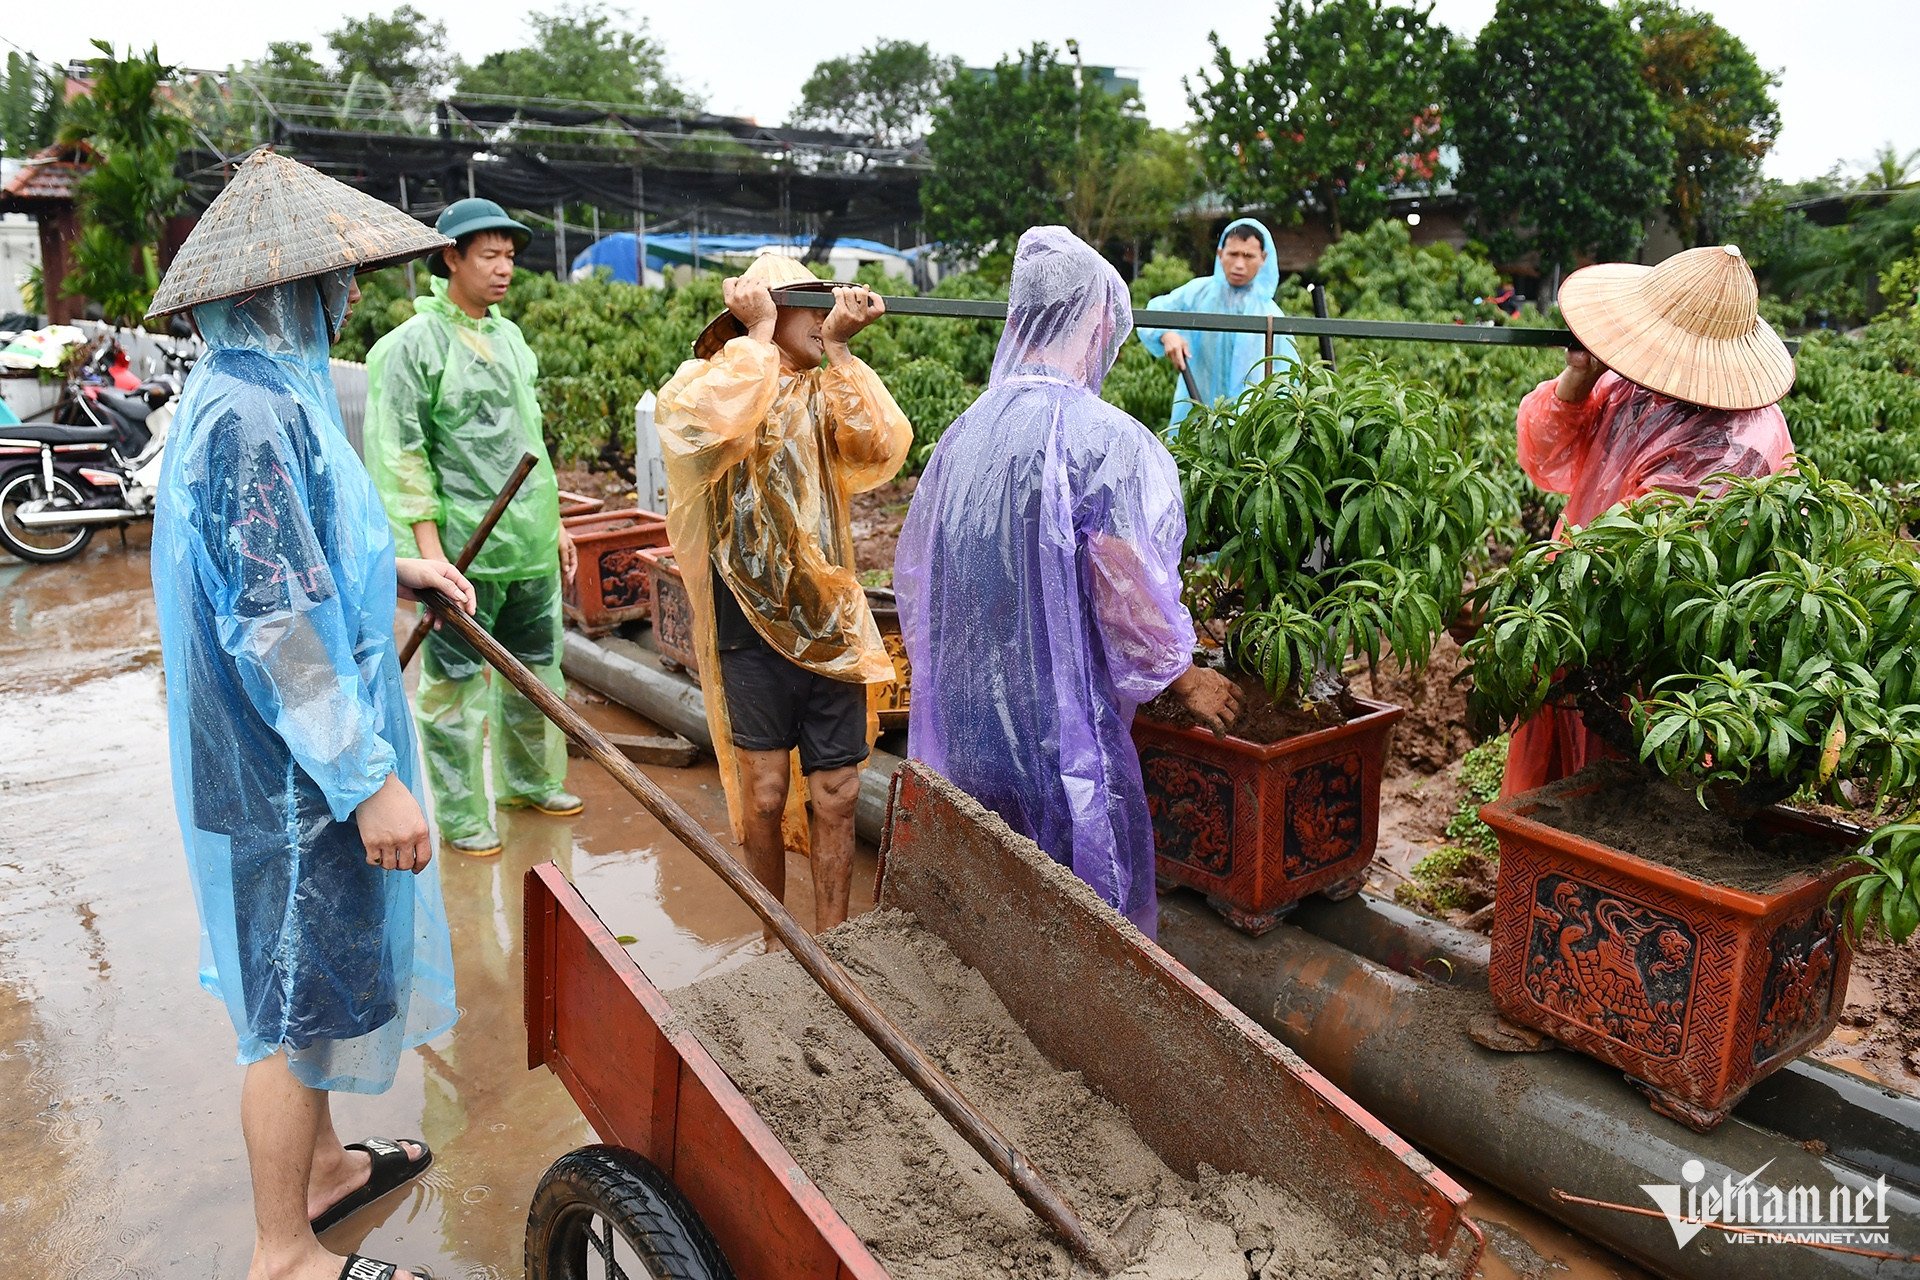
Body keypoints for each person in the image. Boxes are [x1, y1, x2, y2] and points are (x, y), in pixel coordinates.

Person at [148, 149, 472, 1280]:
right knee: (290, 1004)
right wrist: (363, 775)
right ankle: (284, 1250)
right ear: (282, 288)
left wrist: (400, 579)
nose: (347, 298)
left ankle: (327, 1171)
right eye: (332, 282)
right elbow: (275, 621)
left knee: (317, 976)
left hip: (289, 764)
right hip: (288, 773)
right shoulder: (247, 414)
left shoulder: (264, 394)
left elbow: (305, 562)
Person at [896, 227, 1243, 938]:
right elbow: (1126, 588)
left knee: (990, 894)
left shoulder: (967, 431)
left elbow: (928, 578)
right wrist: (1183, 676)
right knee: (1082, 914)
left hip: (963, 718)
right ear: (1093, 320)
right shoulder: (1105, 440)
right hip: (1057, 731)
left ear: (1020, 318)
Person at [655, 254, 909, 939]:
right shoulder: (710, 381)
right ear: (764, 310)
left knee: (839, 792)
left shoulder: (828, 387)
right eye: (811, 307)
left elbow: (882, 444)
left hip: (827, 617)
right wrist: (759, 336)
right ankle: (776, 940)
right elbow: (703, 428)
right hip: (748, 621)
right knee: (764, 794)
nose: (825, 320)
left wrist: (846, 352)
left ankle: (832, 947)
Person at [1501, 243, 1796, 798]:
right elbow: (1545, 456)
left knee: (1638, 775)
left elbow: (1655, 563)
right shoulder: (1632, 382)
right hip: (1578, 605)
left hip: (1647, 639)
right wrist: (1577, 379)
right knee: (1566, 779)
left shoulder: (1739, 439)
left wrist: (1566, 584)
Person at [364, 198, 578, 858]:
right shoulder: (410, 347)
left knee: (535, 671)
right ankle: (461, 814)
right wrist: (431, 555)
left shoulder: (510, 338)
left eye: (510, 255)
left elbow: (529, 441)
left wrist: (558, 523)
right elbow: (404, 456)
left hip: (528, 543)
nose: (504, 268)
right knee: (455, 687)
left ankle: (531, 782)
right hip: (464, 548)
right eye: (488, 254)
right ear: (450, 257)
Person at [1136, 218, 1298, 430]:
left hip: (1249, 431)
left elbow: (1288, 377)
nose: (1239, 264)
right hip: (1194, 419)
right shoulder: (1197, 293)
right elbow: (1154, 313)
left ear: (1263, 258)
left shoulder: (1271, 315)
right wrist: (1167, 334)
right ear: (1220, 254)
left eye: (1248, 256)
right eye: (1233, 254)